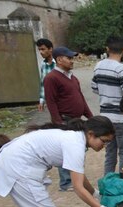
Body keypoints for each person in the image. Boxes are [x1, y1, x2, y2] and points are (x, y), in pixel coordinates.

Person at [43, 46, 94, 192]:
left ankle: (75, 179)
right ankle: (66, 182)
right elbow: (51, 101)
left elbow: (81, 99)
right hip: (64, 120)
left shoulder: (73, 77)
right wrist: (58, 122)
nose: (72, 61)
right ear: (59, 60)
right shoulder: (51, 78)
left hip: (76, 120)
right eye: (69, 58)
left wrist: (90, 116)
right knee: (65, 151)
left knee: (78, 149)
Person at [91, 36, 123, 176]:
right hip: (121, 118)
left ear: (107, 49)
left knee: (110, 152)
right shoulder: (121, 69)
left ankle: (108, 180)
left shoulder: (98, 66)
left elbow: (94, 88)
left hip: (105, 118)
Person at [36, 38, 55, 113]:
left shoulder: (59, 62)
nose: (41, 52)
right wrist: (41, 100)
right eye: (39, 50)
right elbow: (43, 83)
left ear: (50, 49)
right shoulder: (43, 64)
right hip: (51, 101)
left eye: (43, 49)